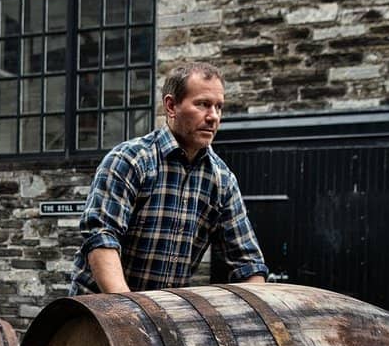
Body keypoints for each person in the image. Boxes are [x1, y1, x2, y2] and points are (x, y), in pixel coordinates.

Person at [69, 61, 268, 294]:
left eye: (219, 107)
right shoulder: (130, 161)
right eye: (203, 104)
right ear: (171, 106)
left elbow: (249, 264)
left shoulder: (222, 181)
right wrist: (129, 317)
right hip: (97, 314)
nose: (213, 117)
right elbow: (102, 239)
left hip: (162, 315)